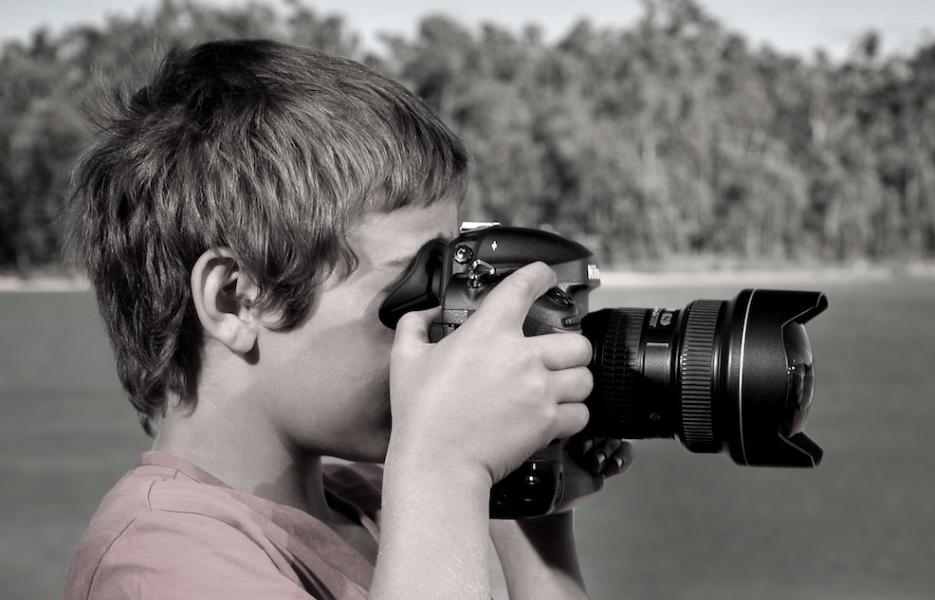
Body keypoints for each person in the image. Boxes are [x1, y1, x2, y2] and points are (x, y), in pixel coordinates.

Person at [60, 38, 630, 599]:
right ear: (235, 298)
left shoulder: (381, 506)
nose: (451, 323)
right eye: (418, 283)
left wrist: (526, 510)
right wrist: (446, 466)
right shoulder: (161, 556)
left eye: (458, 278)